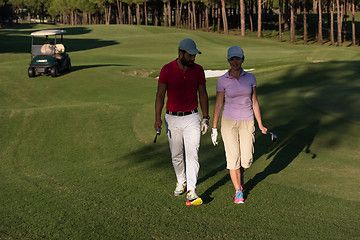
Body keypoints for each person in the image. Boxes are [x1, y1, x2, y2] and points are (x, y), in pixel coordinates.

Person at [154, 39, 210, 206]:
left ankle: (191, 191)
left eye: (194, 55)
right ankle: (181, 181)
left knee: (192, 154)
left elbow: (203, 93)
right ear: (180, 53)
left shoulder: (198, 70)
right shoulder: (167, 69)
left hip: (192, 117)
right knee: (176, 155)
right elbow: (160, 95)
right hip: (172, 118)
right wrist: (157, 118)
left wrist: (205, 116)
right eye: (190, 55)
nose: (193, 58)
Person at [211, 46, 267, 204]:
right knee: (233, 159)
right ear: (228, 60)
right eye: (232, 59)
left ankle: (239, 174)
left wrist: (260, 124)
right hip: (229, 122)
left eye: (237, 58)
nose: (235, 62)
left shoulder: (250, 78)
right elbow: (218, 105)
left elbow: (254, 101)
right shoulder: (222, 80)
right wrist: (214, 128)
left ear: (243, 59)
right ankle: (238, 192)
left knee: (247, 160)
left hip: (247, 120)